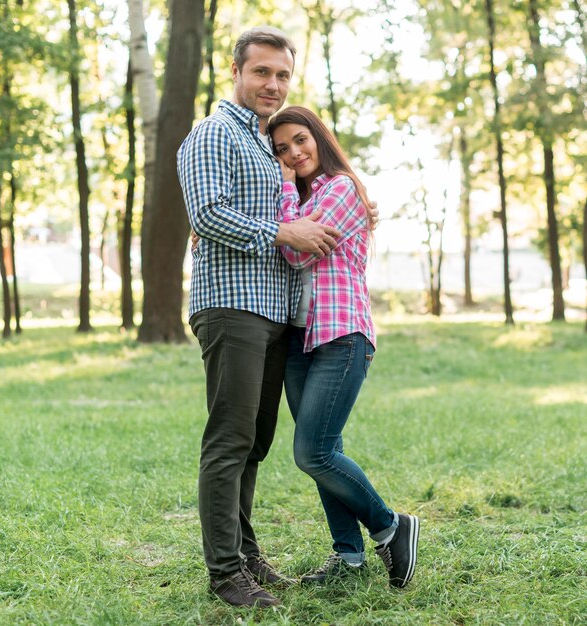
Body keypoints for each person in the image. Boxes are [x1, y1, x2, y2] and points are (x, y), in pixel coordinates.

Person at [177, 27, 342, 608]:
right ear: (236, 71)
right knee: (229, 440)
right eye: (262, 72)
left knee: (254, 443)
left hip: (275, 312)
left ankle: (246, 557)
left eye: (282, 75)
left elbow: (302, 203)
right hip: (232, 306)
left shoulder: (265, 143)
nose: (272, 84)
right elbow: (208, 213)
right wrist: (280, 230)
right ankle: (225, 575)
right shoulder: (212, 135)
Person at [268, 106, 420, 589]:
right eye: (282, 150)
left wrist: (285, 195)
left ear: (319, 137)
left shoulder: (340, 189)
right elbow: (287, 238)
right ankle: (348, 556)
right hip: (300, 337)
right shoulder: (306, 196)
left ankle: (390, 526)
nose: (294, 153)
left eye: (299, 140)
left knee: (312, 452)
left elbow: (294, 248)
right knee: (326, 449)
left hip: (341, 334)